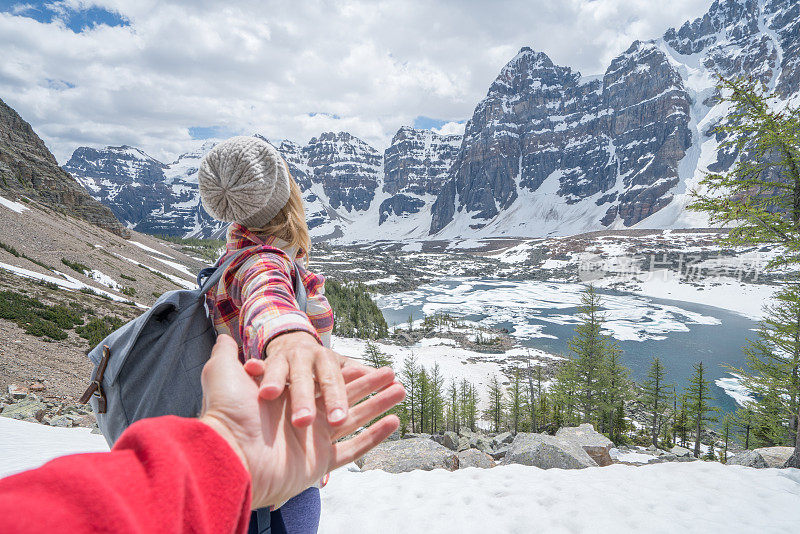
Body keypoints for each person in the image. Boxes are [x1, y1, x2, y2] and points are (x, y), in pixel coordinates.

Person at [0, 334, 405, 533]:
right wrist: (292, 333)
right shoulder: (264, 261)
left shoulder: (222, 273)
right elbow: (270, 289)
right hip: (268, 478)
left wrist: (224, 456)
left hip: (241, 472)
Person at [197, 135, 369, 532]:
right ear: (283, 191)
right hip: (276, 480)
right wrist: (291, 337)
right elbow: (268, 300)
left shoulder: (233, 257)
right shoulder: (262, 260)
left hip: (255, 463)